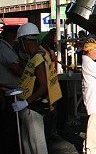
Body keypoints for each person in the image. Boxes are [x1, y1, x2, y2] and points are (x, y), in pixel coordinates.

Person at [12, 23, 62, 154]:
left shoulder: (38, 57)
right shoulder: (36, 56)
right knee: (28, 144)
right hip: (30, 106)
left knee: (36, 145)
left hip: (33, 107)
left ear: (25, 41)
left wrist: (25, 102)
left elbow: (43, 86)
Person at [0, 25, 25, 154]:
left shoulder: (9, 49)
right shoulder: (3, 49)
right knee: (8, 128)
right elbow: (16, 69)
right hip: (6, 92)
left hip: (10, 91)